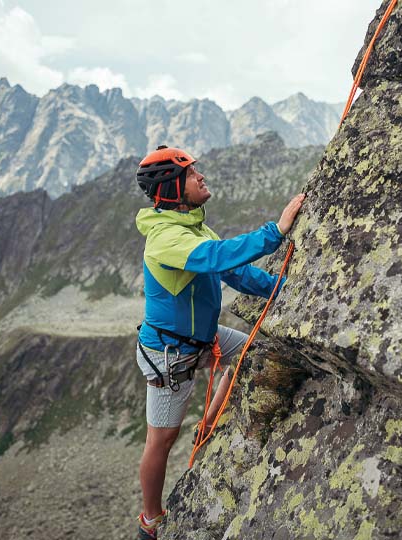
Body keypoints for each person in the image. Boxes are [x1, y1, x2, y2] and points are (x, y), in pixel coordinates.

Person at [134, 145, 305, 540]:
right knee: (161, 440)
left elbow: (237, 274)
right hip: (168, 354)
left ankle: (208, 424)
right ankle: (149, 520)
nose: (201, 176)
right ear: (174, 188)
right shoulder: (165, 239)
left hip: (199, 339)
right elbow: (216, 257)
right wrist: (274, 232)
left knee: (252, 352)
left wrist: (285, 289)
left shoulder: (192, 227)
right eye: (193, 173)